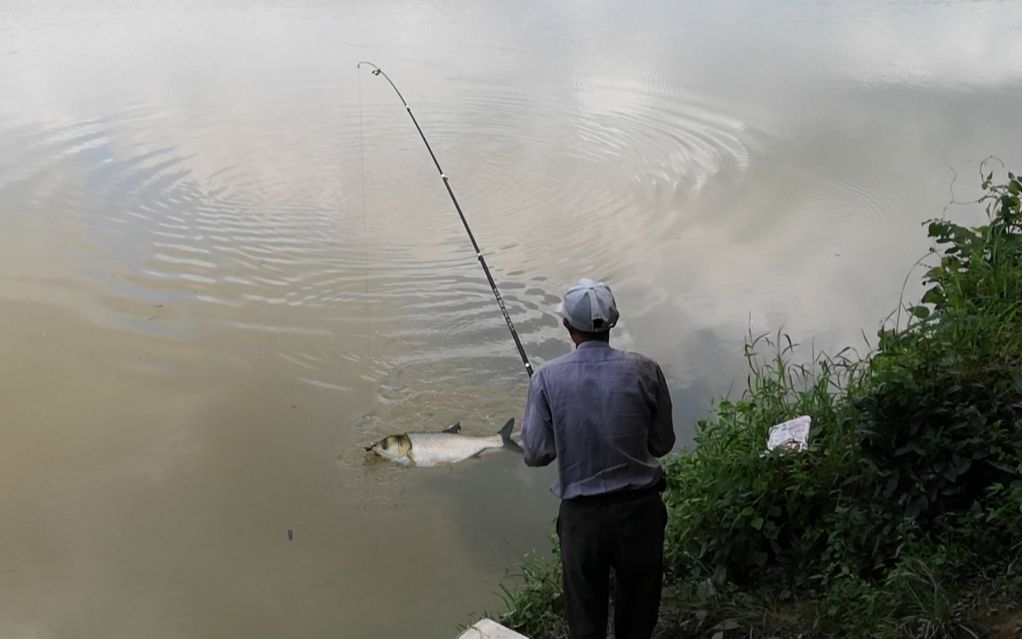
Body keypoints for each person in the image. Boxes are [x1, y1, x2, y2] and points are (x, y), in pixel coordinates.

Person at [521, 278, 675, 639]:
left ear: (566, 327)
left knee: (585, 622)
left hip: (582, 521)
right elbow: (662, 443)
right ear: (614, 320)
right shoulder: (646, 370)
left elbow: (536, 454)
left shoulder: (545, 379)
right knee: (638, 617)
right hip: (641, 514)